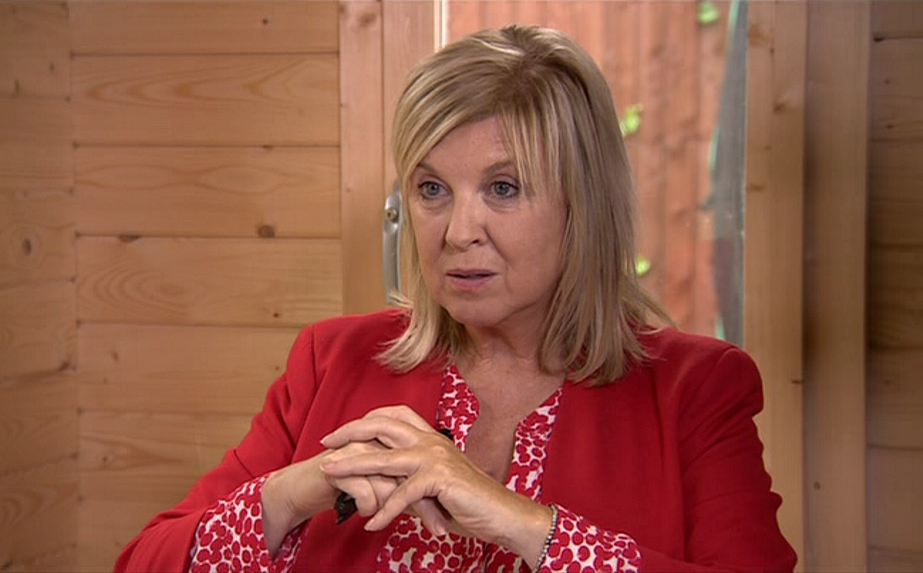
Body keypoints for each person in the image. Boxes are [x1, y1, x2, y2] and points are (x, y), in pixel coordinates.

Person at [114, 25, 796, 573]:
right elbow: (146, 561)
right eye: (432, 189)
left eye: (503, 188)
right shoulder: (331, 359)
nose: (458, 231)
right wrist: (294, 493)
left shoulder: (697, 389)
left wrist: (523, 524)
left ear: (581, 205)